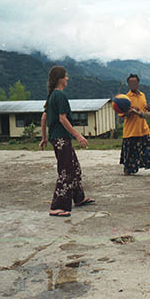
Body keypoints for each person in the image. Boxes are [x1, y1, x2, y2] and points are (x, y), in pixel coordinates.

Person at [39, 66, 93, 217]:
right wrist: (78, 135)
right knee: (66, 171)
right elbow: (63, 119)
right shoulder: (60, 96)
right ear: (60, 79)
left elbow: (44, 118)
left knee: (74, 168)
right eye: (66, 76)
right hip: (62, 138)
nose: (68, 78)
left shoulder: (51, 97)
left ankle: (79, 198)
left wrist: (44, 138)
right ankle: (57, 206)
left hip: (56, 138)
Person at [119, 74, 150, 175]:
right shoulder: (125, 98)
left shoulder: (142, 95)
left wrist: (149, 109)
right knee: (131, 152)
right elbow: (122, 114)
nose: (133, 84)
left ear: (138, 83)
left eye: (135, 82)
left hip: (143, 128)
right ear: (128, 84)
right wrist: (130, 112)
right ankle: (128, 169)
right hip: (131, 130)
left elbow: (144, 111)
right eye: (131, 82)